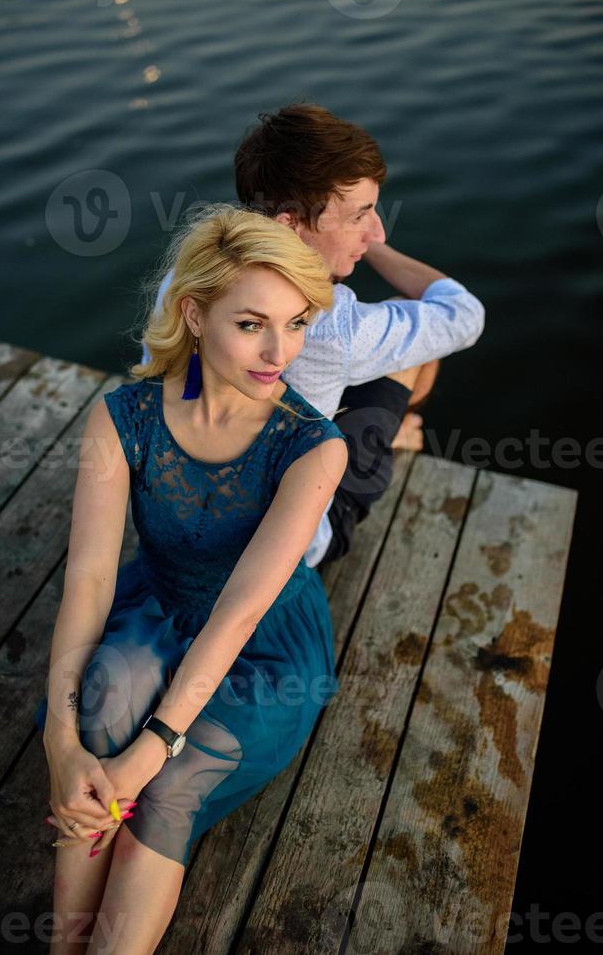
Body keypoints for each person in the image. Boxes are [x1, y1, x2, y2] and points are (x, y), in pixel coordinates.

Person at [34, 206, 349, 953]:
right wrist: (58, 739)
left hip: (263, 649)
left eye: (298, 322)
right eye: (252, 325)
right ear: (195, 314)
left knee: (166, 786)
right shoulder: (124, 417)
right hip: (162, 608)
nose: (282, 351)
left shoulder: (312, 447)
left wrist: (151, 752)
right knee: (102, 711)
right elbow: (86, 584)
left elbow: (238, 617)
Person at [144, 103, 485, 567]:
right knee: (414, 337)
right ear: (290, 225)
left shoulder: (188, 276)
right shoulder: (332, 321)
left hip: (190, 510)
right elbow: (463, 315)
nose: (377, 229)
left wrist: (356, 236)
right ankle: (398, 433)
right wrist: (378, 251)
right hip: (296, 545)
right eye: (361, 215)